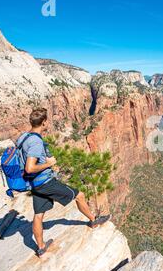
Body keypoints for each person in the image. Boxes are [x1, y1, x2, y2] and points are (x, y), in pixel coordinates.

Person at [17, 108, 110, 257]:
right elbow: (30, 167)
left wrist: (45, 162)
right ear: (44, 122)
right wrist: (48, 164)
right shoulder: (35, 142)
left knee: (38, 215)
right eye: (47, 121)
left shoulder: (24, 137)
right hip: (45, 183)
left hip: (35, 184)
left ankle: (41, 247)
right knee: (79, 195)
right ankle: (94, 220)